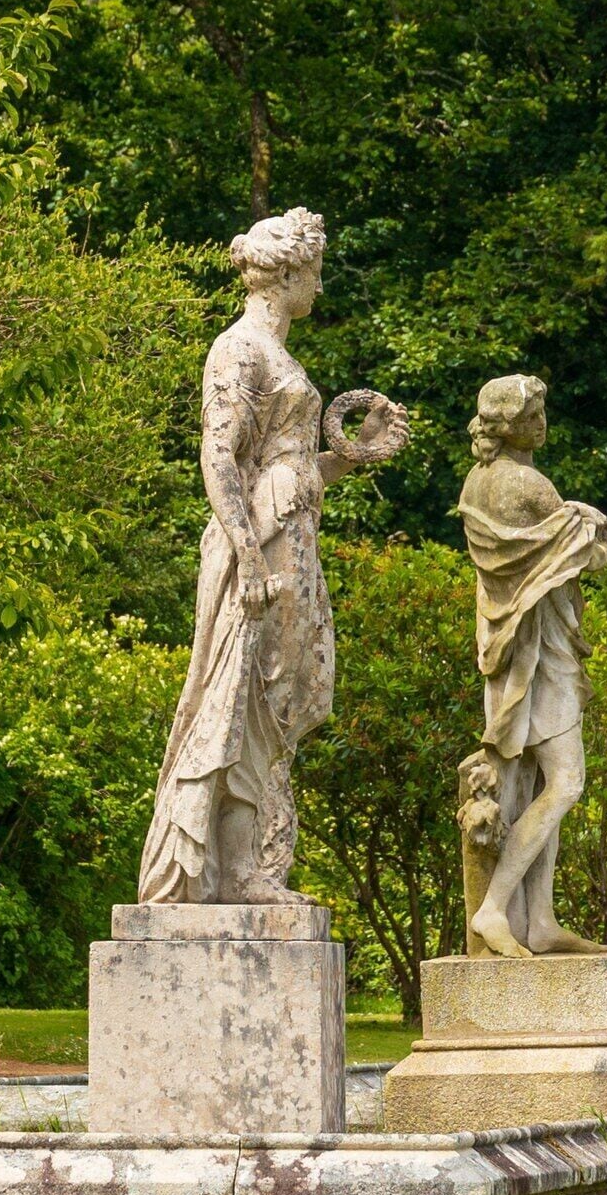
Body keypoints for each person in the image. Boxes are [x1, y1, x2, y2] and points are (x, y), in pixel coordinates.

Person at [136, 210, 409, 903]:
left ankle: (246, 868)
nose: (319, 284)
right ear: (288, 273)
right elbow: (219, 456)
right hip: (259, 543)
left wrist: (353, 452)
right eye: (315, 270)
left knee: (279, 697)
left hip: (290, 529)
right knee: (244, 697)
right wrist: (249, 562)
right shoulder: (240, 348)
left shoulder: (279, 354)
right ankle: (237, 871)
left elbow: (286, 465)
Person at [456, 375, 607, 956]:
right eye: (532, 413)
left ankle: (540, 920)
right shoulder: (528, 484)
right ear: (506, 423)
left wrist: (577, 521)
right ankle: (496, 908)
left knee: (534, 786)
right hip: (539, 656)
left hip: (511, 650)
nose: (541, 421)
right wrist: (593, 526)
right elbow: (589, 555)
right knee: (566, 782)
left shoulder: (480, 480)